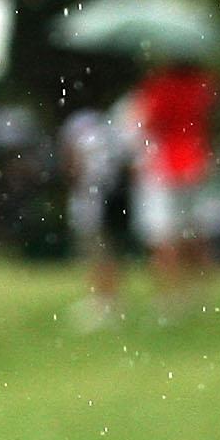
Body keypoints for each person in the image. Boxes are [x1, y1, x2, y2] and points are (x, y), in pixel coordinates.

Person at [132, 60, 218, 313]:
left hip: (165, 164)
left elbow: (148, 123)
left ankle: (170, 295)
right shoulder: (203, 85)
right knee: (194, 231)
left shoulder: (159, 86)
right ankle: (199, 290)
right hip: (195, 161)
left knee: (163, 235)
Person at [59, 103, 135, 326]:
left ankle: (104, 300)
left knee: (97, 252)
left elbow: (74, 164)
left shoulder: (80, 127)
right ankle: (107, 298)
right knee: (107, 251)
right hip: (110, 197)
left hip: (92, 199)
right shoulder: (112, 126)